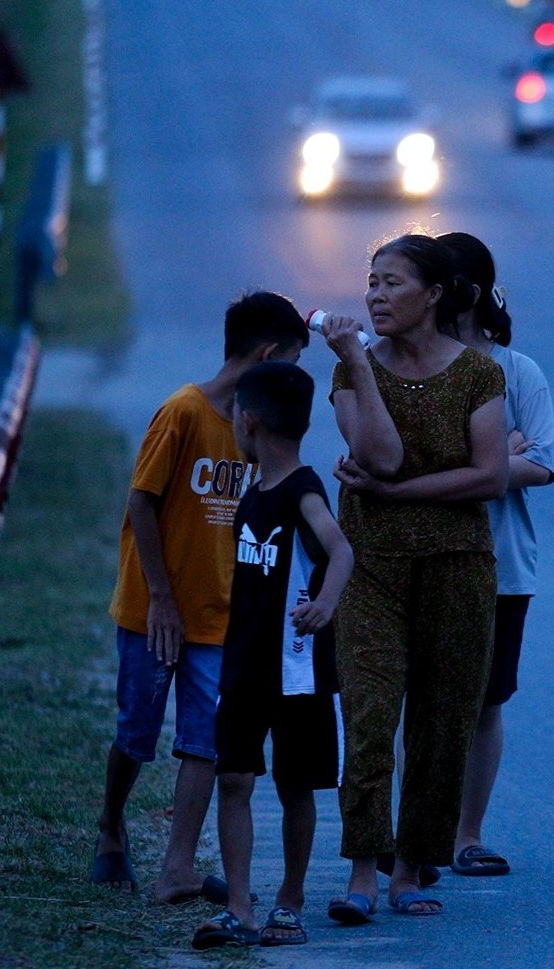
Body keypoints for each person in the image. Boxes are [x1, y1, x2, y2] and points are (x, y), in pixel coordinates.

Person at [92, 290, 310, 904]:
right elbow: (142, 499)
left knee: (204, 739)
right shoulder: (184, 412)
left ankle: (177, 867)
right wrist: (160, 595)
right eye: (291, 363)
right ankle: (111, 825)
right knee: (137, 730)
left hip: (220, 615)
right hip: (154, 608)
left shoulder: (258, 432)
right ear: (268, 355)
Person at [319, 233, 508, 922]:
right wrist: (360, 367)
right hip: (370, 564)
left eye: (392, 282)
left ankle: (409, 869)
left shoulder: (479, 375)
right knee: (370, 712)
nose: (375, 295)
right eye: (371, 282)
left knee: (443, 719)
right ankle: (363, 871)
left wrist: (398, 495)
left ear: (432, 294)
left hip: (458, 566)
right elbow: (380, 453)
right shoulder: (350, 370)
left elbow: (489, 475)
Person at [192, 361, 355, 949]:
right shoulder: (254, 489)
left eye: (235, 414)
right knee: (233, 778)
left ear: (250, 420)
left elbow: (340, 551)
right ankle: (239, 906)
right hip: (244, 665)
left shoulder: (302, 490)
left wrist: (325, 606)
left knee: (295, 786)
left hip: (297, 666)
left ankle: (288, 901)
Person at [437, 231, 554, 878]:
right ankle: (417, 831)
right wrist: (493, 458)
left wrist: (494, 465)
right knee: (420, 697)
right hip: (421, 553)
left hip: (501, 563)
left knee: (484, 701)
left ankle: (467, 833)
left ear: (466, 294)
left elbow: (541, 463)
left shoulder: (517, 371)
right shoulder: (405, 363)